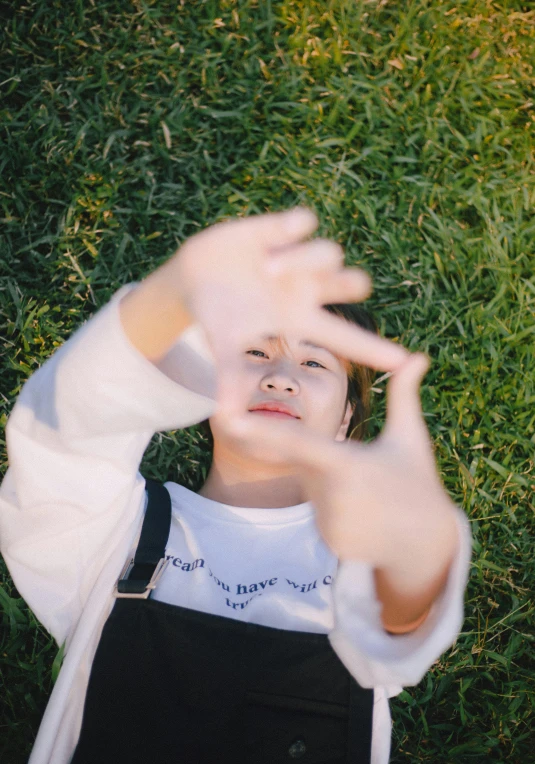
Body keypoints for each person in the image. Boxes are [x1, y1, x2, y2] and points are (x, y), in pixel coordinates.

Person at [0, 206, 471, 764]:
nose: (280, 375)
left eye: (316, 364)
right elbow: (66, 435)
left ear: (347, 420)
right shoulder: (116, 529)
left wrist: (418, 550)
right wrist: (175, 290)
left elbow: (399, 637)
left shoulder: (359, 545)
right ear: (205, 390)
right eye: (256, 352)